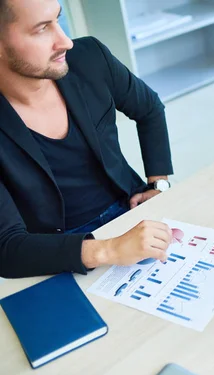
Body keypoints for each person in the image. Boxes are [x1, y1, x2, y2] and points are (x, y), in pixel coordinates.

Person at [0, 0, 175, 279]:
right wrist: (108, 250)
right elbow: (6, 248)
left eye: (58, 20)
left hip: (132, 208)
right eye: (43, 29)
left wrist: (159, 183)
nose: (65, 41)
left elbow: (149, 108)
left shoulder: (89, 57)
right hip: (56, 251)